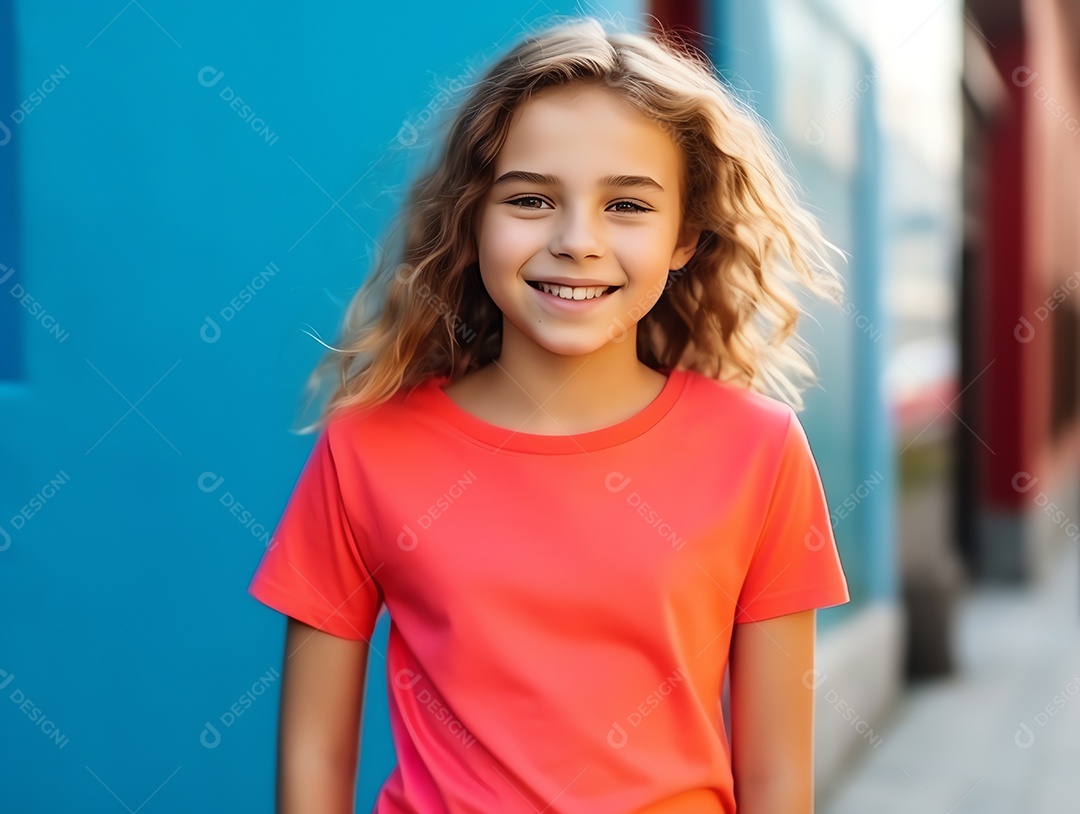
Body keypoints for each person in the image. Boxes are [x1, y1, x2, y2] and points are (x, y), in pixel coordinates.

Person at [248, 14, 850, 814]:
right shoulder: (366, 449)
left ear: (684, 237)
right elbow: (313, 766)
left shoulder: (761, 451)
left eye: (628, 206)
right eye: (531, 198)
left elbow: (779, 781)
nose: (576, 240)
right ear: (473, 218)